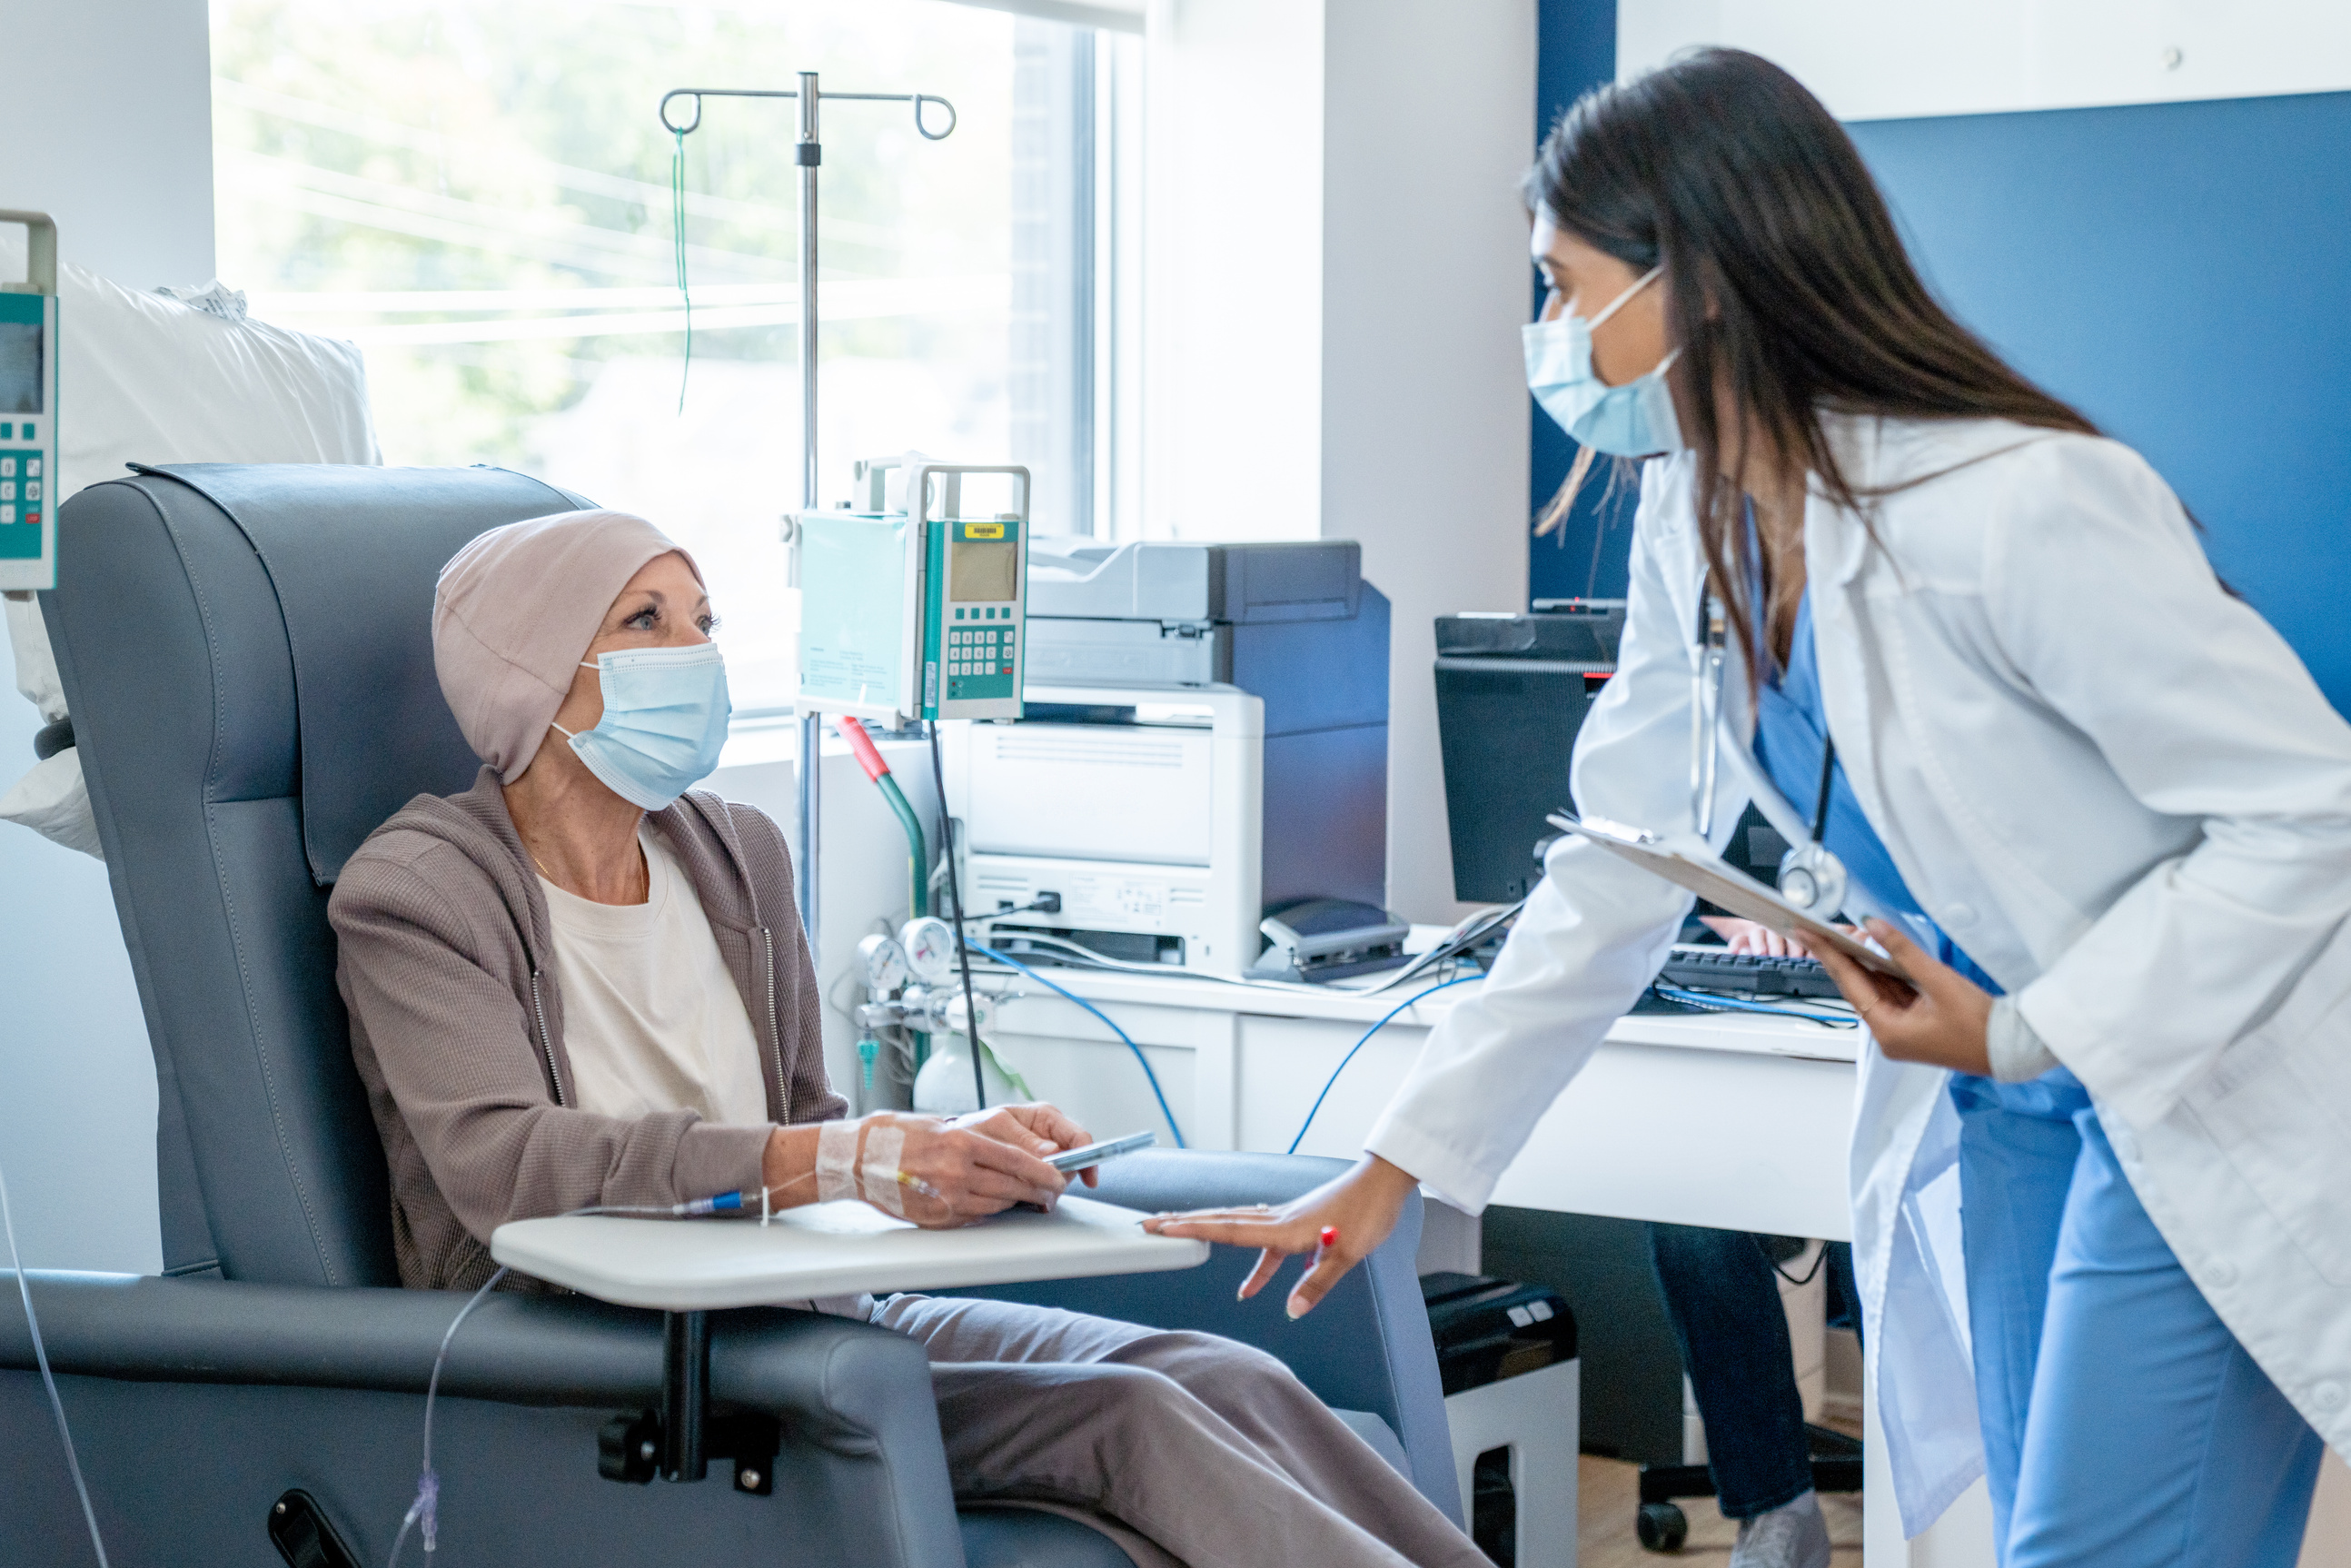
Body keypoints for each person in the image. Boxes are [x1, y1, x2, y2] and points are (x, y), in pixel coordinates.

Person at [1149, 47, 2351, 1568]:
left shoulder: (2021, 501)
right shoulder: (1704, 506)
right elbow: (1628, 851)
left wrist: (2022, 1033)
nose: (1548, 337)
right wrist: (1399, 1161)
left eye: (1563, 286)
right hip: (2011, 1105)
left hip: (2192, 1071)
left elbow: (2311, 815)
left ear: (1698, 281)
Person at [327, 508, 1487, 1568]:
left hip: (804, 1307)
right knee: (1135, 1419)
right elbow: (509, 1170)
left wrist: (956, 1155)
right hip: (604, 1355)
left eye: (704, 621)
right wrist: (839, 1159)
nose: (697, 654)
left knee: (1222, 1373)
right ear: (531, 672)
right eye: (646, 621)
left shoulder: (733, 850)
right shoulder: (417, 893)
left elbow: (809, 1131)